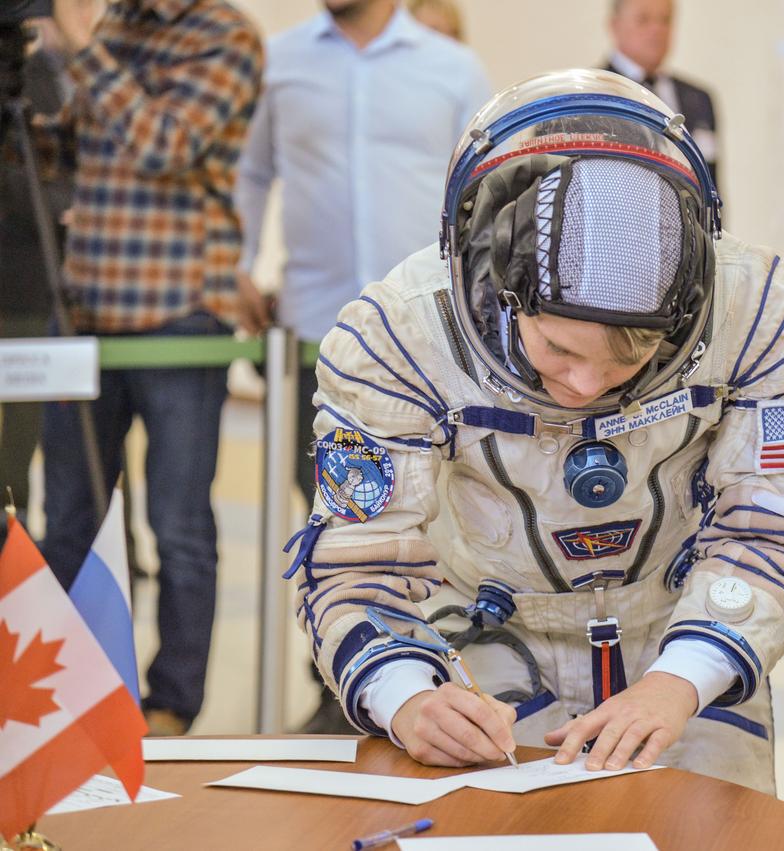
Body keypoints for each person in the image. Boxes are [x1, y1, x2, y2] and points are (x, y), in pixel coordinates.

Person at [284, 69, 784, 794]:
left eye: (629, 360)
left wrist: (682, 679)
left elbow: (776, 525)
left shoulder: (768, 317)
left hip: (687, 628)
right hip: (481, 645)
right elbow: (355, 562)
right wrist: (408, 698)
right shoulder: (395, 338)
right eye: (556, 350)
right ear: (498, 283)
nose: (585, 387)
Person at [234, 0, 489, 733]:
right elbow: (251, 175)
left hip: (434, 348)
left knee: (433, 519)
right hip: (315, 334)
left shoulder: (451, 68)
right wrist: (240, 267)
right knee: (335, 523)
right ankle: (343, 678)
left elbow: (483, 194)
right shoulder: (279, 63)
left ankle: (435, 671)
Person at [28, 0, 263, 737]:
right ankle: (62, 695)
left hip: (180, 314)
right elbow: (63, 150)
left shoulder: (225, 35)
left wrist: (82, 44)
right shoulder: (109, 27)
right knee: (66, 520)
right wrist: (42, 69)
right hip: (83, 313)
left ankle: (170, 704)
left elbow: (163, 143)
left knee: (178, 523)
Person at [0, 15, 87, 541]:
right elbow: (19, 169)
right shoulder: (26, 73)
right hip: (19, 278)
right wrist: (65, 210)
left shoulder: (69, 71)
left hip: (53, 281)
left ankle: (22, 536)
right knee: (17, 434)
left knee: (32, 429)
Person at [604, 0, 719, 188]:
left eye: (665, 20)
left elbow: (713, 190)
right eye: (643, 19)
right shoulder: (593, 94)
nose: (657, 29)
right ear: (615, 25)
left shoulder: (699, 99)